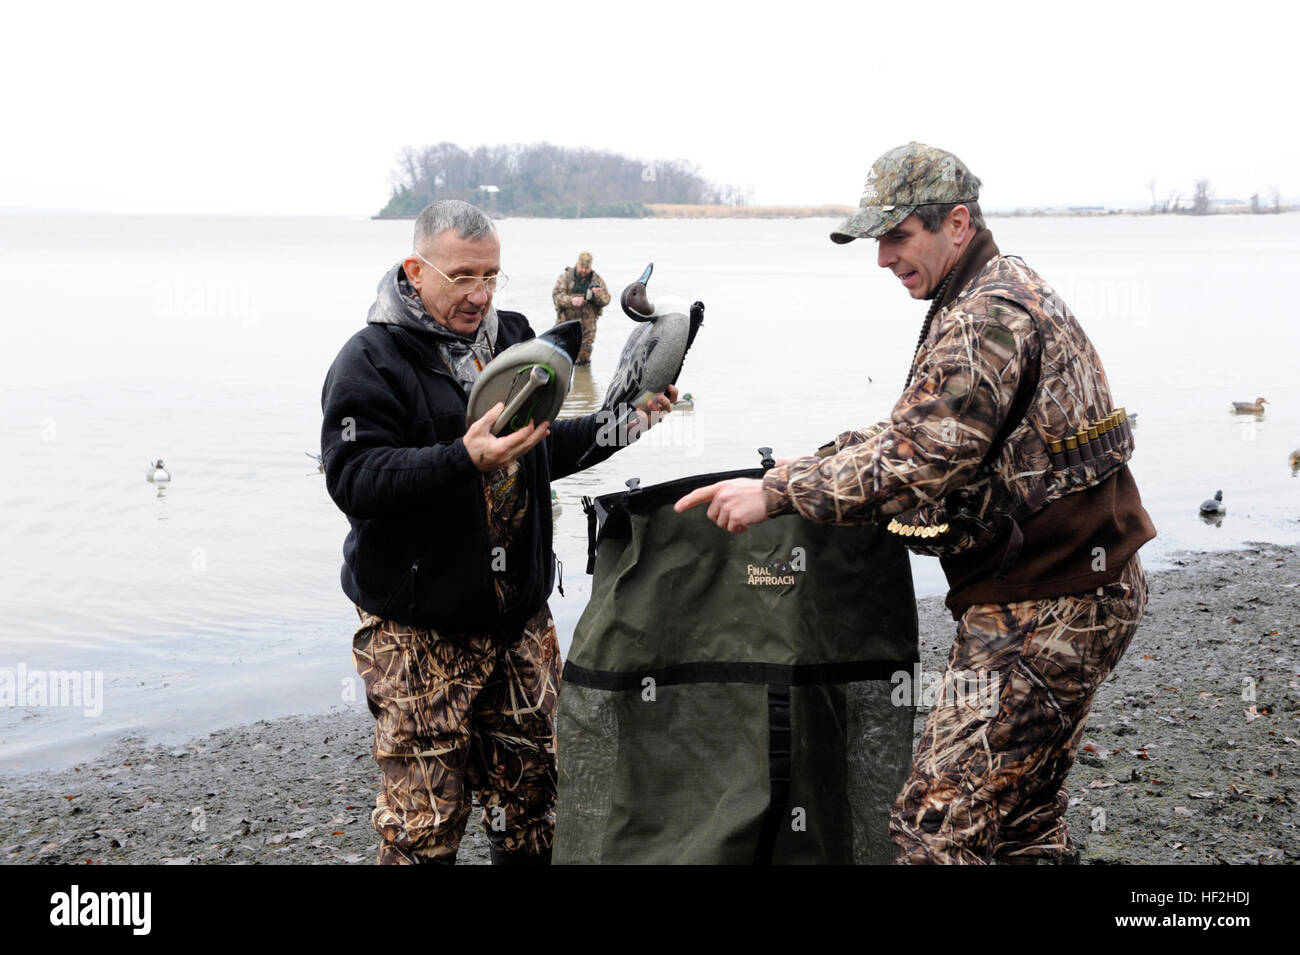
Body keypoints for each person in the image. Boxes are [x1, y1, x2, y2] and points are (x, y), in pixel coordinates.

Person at [676, 142, 1156, 865]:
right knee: (1021, 819)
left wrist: (776, 493)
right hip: (1083, 587)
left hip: (1047, 603)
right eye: (878, 239)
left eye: (897, 236)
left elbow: (917, 462)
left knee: (934, 827)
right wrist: (812, 463)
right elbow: (915, 427)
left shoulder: (985, 315)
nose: (882, 258)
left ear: (956, 223)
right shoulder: (995, 286)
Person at [320, 200, 674, 864]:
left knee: (538, 805)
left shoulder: (514, 338)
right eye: (462, 276)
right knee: (423, 829)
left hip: (518, 623)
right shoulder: (371, 359)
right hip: (417, 635)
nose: (479, 294)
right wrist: (464, 458)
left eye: (491, 275)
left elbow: (544, 448)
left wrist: (628, 423)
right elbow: (354, 477)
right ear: (413, 269)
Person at [552, 251, 611, 364]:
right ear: (577, 264)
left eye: (587, 268)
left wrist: (597, 296)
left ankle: (582, 380)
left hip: (587, 328)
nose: (584, 270)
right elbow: (556, 297)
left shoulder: (596, 280)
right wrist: (571, 301)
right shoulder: (565, 278)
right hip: (565, 324)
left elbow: (606, 299)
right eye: (582, 267)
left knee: (583, 361)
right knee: (560, 357)